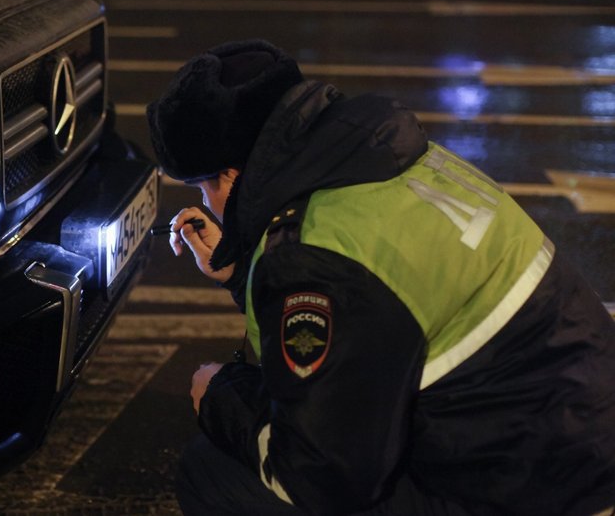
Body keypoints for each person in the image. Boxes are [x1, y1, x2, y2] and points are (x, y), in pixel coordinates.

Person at [146, 39, 615, 515]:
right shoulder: (392, 163)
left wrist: (221, 399)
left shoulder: (314, 256)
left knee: (215, 476)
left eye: (205, 188)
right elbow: (375, 310)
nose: (207, 204)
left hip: (542, 493)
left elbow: (324, 475)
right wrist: (244, 272)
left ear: (231, 174)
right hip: (575, 444)